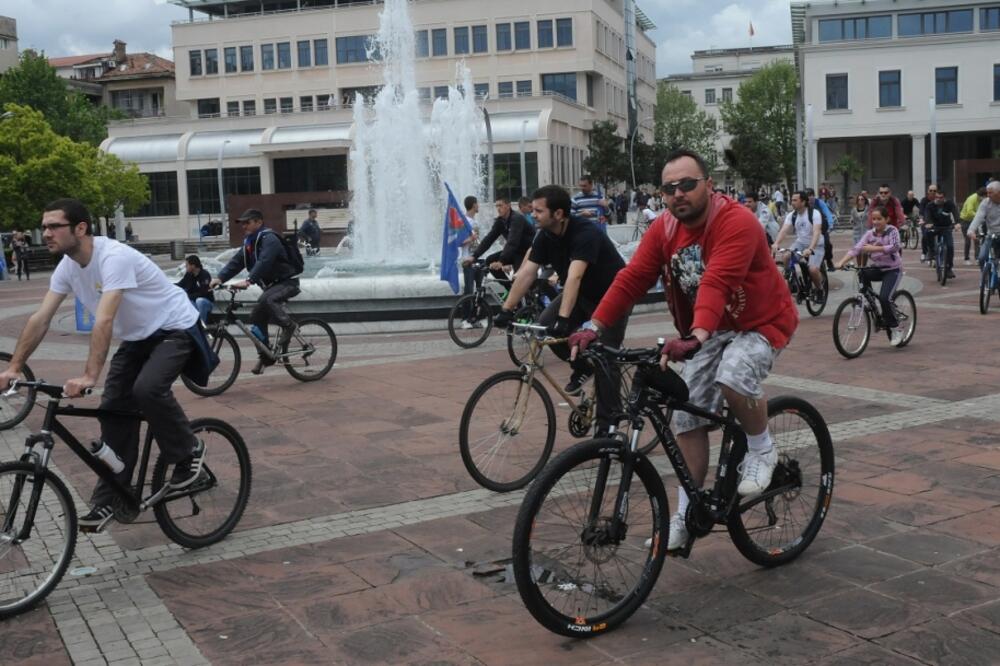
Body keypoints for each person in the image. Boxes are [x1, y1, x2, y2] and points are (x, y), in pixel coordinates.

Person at [569, 149, 798, 553]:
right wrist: (594, 325)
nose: (678, 194)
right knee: (684, 418)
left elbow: (716, 280)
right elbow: (632, 277)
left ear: (709, 185)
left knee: (734, 373)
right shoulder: (665, 228)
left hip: (760, 323)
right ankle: (686, 513)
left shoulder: (736, 221)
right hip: (707, 330)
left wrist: (696, 335)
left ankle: (762, 448)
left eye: (688, 184)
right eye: (669, 188)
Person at [0, 199, 206, 531]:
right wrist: (14, 367)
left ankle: (188, 449)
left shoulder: (114, 257)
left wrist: (89, 375)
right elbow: (41, 318)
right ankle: (114, 497)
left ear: (80, 228)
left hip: (174, 327)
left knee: (147, 390)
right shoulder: (67, 267)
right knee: (112, 409)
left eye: (54, 226)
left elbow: (105, 319)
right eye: (45, 226)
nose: (46, 233)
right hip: (138, 337)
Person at [493, 185, 628, 429]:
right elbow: (527, 273)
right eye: (532, 210)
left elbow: (575, 276)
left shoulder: (585, 232)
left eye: (538, 210)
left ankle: (609, 429)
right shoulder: (544, 235)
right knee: (544, 326)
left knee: (606, 358)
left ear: (558, 214)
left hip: (613, 296)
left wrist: (564, 320)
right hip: (582, 294)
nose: (532, 214)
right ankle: (583, 366)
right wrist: (505, 309)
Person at [211, 209, 302, 374]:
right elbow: (236, 262)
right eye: (242, 223)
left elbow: (265, 261)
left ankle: (289, 326)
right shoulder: (250, 242)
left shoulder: (270, 239)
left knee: (267, 300)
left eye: (247, 222)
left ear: (259, 222)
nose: (244, 226)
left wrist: (248, 280)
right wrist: (220, 278)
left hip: (287, 283)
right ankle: (266, 355)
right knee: (256, 317)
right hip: (272, 286)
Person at [834, 206, 906, 346]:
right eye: (874, 219)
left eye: (879, 219)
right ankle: (871, 304)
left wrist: (874, 248)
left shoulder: (892, 231)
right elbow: (857, 249)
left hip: (893, 270)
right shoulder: (869, 234)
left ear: (887, 219)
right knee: (862, 272)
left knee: (885, 298)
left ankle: (897, 328)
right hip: (878, 268)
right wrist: (841, 262)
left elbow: (895, 247)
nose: (876, 222)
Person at [462, 195, 533, 282]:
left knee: (520, 280)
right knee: (489, 261)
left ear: (508, 206)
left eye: (501, 205)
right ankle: (510, 289)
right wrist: (474, 256)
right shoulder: (500, 221)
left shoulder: (517, 218)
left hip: (527, 252)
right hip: (515, 251)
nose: (498, 208)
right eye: (497, 206)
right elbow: (489, 239)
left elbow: (512, 241)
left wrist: (501, 261)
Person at [773, 191, 826, 296]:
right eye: (791, 200)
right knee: (786, 256)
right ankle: (792, 281)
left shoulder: (814, 213)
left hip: (816, 245)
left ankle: (820, 289)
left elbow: (816, 232)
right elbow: (784, 230)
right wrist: (776, 243)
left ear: (803, 202)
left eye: (795, 200)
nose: (792, 202)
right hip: (800, 243)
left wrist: (810, 249)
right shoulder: (792, 215)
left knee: (813, 269)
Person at [923, 189, 961, 279]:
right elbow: (927, 215)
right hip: (934, 227)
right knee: (927, 233)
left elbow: (955, 213)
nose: (938, 199)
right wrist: (928, 223)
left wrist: (957, 223)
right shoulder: (930, 205)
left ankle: (948, 269)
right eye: (936, 197)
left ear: (944, 197)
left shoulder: (949, 204)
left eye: (941, 197)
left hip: (946, 227)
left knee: (950, 247)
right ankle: (931, 252)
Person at [459, 195, 483, 329]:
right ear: (473, 205)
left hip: (477, 258)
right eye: (477, 203)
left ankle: (475, 318)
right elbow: (458, 242)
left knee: (479, 290)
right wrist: (471, 238)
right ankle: (465, 319)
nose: (478, 206)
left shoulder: (475, 222)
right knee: (469, 290)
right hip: (467, 259)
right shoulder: (463, 222)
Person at [968, 181, 1000, 267]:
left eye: (990, 193)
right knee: (982, 258)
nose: (988, 195)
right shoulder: (985, 203)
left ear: (999, 193)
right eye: (987, 193)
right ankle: (985, 278)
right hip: (991, 235)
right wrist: (971, 230)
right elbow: (978, 217)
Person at [176, 255, 214, 323]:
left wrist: (187, 296)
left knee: (199, 301)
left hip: (206, 302)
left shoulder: (204, 275)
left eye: (187, 265)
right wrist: (168, 286)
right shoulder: (189, 274)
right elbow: (181, 284)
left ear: (193, 266)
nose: (185, 267)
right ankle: (190, 324)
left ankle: (202, 325)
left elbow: (203, 293)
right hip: (193, 300)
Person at [806, 188, 836, 271]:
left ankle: (829, 260)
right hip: (810, 230)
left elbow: (827, 213)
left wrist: (831, 224)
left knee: (827, 244)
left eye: (811, 195)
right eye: (807, 196)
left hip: (822, 229)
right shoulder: (804, 204)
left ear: (813, 195)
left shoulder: (819, 202)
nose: (809, 198)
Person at [960, 187, 988, 265]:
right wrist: (979, 216)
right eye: (984, 196)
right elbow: (969, 212)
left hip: (975, 219)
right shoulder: (972, 199)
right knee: (968, 240)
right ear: (981, 195)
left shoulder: (983, 200)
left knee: (977, 239)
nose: (985, 198)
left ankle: (977, 258)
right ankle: (966, 258)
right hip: (966, 220)